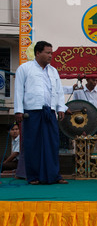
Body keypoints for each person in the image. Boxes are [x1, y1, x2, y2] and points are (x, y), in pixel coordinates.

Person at [14, 40, 69, 185]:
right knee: (33, 144)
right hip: (32, 111)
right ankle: (33, 176)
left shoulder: (53, 71)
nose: (51, 56)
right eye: (48, 53)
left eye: (51, 53)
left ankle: (54, 175)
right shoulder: (25, 68)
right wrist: (18, 110)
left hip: (49, 111)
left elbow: (58, 91)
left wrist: (60, 108)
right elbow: (19, 90)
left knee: (52, 143)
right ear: (38, 53)